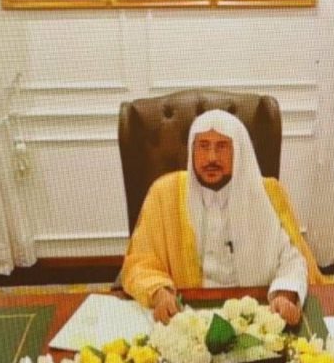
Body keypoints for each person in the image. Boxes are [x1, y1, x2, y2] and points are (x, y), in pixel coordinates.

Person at [121, 110, 311, 326]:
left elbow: (292, 259)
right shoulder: (164, 194)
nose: (211, 157)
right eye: (203, 146)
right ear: (192, 151)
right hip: (187, 314)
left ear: (238, 151)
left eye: (222, 146)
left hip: (257, 310)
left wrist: (285, 294)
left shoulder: (268, 194)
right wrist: (159, 293)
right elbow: (139, 262)